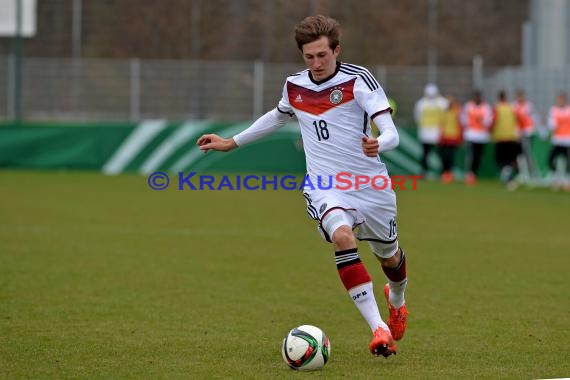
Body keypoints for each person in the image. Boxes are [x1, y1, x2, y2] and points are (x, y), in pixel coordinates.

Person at [197, 15, 407, 358]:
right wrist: (231, 142)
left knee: (391, 257)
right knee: (342, 237)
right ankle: (378, 329)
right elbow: (277, 116)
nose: (316, 63)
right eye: (309, 57)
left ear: (336, 50)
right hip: (326, 185)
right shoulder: (294, 85)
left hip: (371, 186)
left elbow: (392, 132)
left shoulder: (358, 80)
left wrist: (379, 143)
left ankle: (396, 301)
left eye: (322, 55)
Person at [414, 83, 448, 177]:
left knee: (440, 153)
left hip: (437, 131)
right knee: (426, 153)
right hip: (426, 131)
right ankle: (424, 171)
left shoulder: (442, 102)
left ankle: (443, 172)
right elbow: (418, 117)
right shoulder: (421, 103)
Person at [461, 90, 493, 185]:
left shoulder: (486, 107)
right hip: (471, 134)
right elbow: (463, 119)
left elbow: (489, 121)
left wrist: (482, 121)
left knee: (479, 156)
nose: (477, 98)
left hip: (482, 135)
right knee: (472, 155)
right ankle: (470, 173)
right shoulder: (468, 106)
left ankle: (475, 173)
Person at [491, 90, 521, 188]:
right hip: (511, 137)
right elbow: (518, 121)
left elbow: (492, 121)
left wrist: (490, 131)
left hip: (500, 137)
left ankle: (507, 177)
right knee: (509, 160)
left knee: (501, 160)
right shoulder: (511, 108)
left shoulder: (497, 108)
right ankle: (508, 178)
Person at [512, 89, 540, 183]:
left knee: (527, 153)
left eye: (521, 96)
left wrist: (533, 129)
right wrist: (516, 132)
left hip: (527, 132)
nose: (520, 98)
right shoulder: (514, 106)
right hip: (518, 133)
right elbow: (513, 120)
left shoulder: (528, 106)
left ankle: (533, 174)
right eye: (518, 96)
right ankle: (522, 173)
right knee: (519, 154)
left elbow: (534, 118)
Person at [546, 91, 570, 190]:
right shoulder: (553, 110)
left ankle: (567, 181)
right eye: (559, 99)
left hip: (567, 140)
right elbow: (551, 125)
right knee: (551, 159)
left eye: (562, 99)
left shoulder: (569, 110)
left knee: (568, 161)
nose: (560, 101)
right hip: (557, 140)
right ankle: (556, 179)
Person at [438, 94, 463, 183]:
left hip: (453, 137)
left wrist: (460, 137)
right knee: (444, 156)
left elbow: (460, 124)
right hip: (445, 137)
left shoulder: (456, 112)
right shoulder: (445, 112)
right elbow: (441, 124)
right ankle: (445, 173)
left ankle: (449, 173)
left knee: (450, 157)